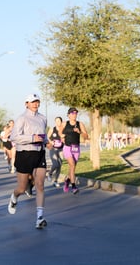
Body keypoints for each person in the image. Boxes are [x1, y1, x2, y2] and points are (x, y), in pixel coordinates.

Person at [7, 93, 51, 229]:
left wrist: (47, 142)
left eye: (37, 101)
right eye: (32, 102)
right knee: (22, 187)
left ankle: (39, 217)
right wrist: (32, 138)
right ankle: (14, 197)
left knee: (40, 185)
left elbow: (42, 137)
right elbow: (13, 137)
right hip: (24, 154)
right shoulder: (21, 119)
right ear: (26, 104)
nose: (35, 104)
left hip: (39, 154)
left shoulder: (43, 118)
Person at [59, 107, 89, 194]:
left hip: (76, 148)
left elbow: (86, 136)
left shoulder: (80, 124)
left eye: (76, 113)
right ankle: (74, 186)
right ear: (68, 115)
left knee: (73, 168)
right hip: (67, 147)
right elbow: (60, 132)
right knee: (72, 165)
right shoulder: (65, 123)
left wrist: (79, 132)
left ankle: (67, 180)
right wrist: (62, 136)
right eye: (72, 113)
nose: (74, 114)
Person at [47, 116, 64, 187]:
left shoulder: (63, 130)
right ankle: (50, 173)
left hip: (61, 149)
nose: (58, 122)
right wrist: (51, 142)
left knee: (59, 165)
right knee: (55, 164)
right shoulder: (52, 129)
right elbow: (47, 137)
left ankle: (55, 181)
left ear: (61, 122)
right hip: (53, 149)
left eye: (59, 121)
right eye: (56, 121)